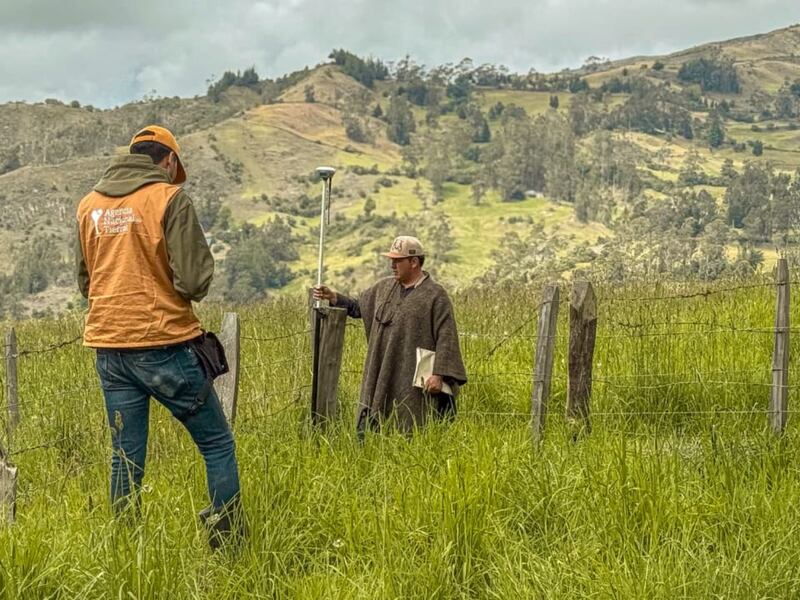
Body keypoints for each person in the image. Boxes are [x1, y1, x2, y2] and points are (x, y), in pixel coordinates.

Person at [75, 125, 242, 547]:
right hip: (164, 343)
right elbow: (194, 282)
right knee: (217, 444)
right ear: (168, 160)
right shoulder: (170, 198)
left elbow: (85, 282)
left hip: (110, 346)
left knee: (125, 459)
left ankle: (126, 549)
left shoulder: (89, 205)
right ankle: (227, 543)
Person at [314, 236, 467, 436]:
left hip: (412, 377)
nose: (392, 265)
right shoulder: (384, 287)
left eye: (397, 261)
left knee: (411, 423)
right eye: (391, 260)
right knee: (373, 422)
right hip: (381, 367)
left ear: (414, 262)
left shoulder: (435, 295)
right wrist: (334, 297)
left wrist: (438, 375)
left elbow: (447, 337)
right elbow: (359, 307)